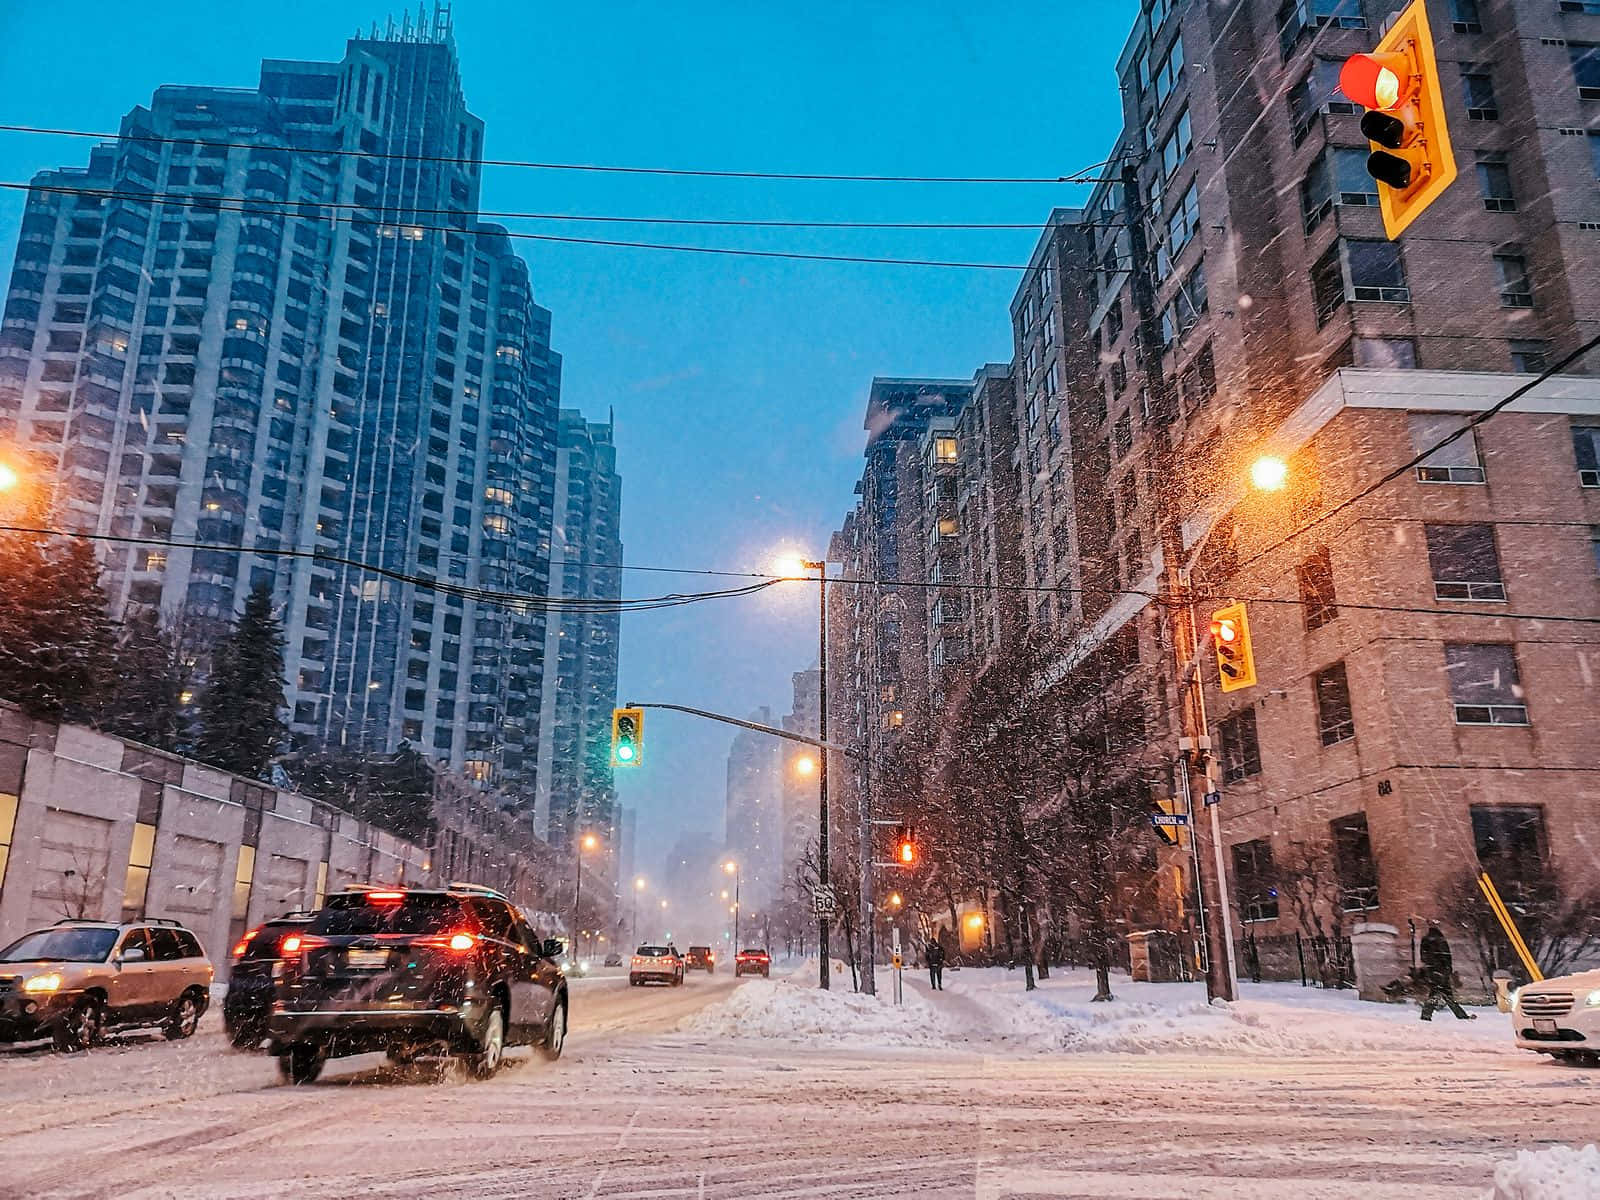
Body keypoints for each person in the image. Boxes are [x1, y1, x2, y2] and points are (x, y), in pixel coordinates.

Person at [1419, 922, 1475, 1021]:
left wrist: (1432, 967)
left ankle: (1427, 1015)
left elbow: (1424, 957)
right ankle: (1427, 1015)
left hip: (1435, 971)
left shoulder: (1428, 940)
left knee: (1442, 994)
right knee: (1442, 994)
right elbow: (1447, 957)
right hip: (1441, 971)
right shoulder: (1440, 940)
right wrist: (1447, 969)